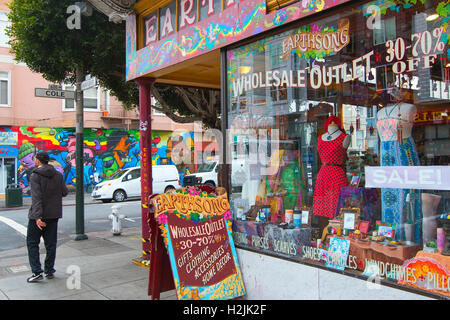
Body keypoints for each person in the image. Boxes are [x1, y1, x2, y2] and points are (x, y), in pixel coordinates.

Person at [26, 151, 68, 283]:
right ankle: (49, 270)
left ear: (38, 161)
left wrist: (38, 217)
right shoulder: (58, 175)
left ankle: (37, 272)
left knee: (32, 243)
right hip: (53, 214)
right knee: (51, 244)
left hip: (38, 216)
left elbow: (36, 198)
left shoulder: (35, 175)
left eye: (35, 159)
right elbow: (64, 192)